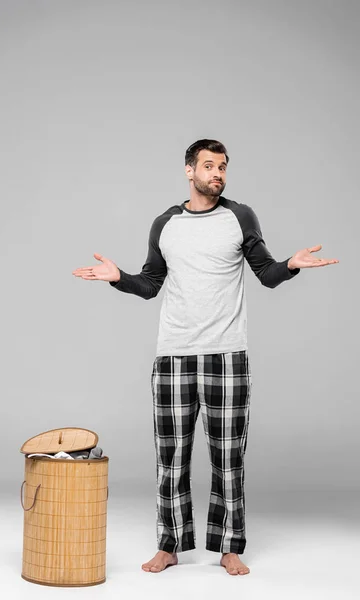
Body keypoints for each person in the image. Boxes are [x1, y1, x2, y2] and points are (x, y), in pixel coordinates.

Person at [72, 139, 339, 576]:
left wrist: (291, 263)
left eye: (223, 167)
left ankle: (230, 546)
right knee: (171, 456)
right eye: (210, 166)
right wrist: (118, 278)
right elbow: (150, 283)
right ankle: (170, 544)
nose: (218, 174)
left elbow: (267, 275)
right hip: (174, 355)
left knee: (228, 456)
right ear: (188, 171)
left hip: (227, 355)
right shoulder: (166, 223)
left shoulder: (240, 217)